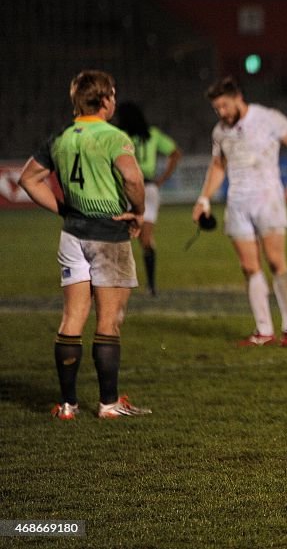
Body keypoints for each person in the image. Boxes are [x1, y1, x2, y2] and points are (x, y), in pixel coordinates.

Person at [17, 70, 151, 420]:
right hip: (108, 234)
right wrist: (138, 211)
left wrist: (62, 208)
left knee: (72, 316)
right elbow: (133, 177)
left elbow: (28, 179)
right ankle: (108, 404)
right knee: (109, 319)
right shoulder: (112, 136)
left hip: (72, 234)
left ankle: (67, 405)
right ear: (106, 99)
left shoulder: (60, 137)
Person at [192, 77, 287, 347]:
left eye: (224, 105)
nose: (221, 112)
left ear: (237, 97)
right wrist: (204, 199)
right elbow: (218, 166)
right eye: (216, 108)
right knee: (249, 266)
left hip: (267, 198)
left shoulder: (268, 118)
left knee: (275, 262)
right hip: (237, 202)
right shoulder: (220, 131)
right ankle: (264, 331)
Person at [115, 101, 182, 296]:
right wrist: (162, 179)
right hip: (150, 188)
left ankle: (119, 282)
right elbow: (175, 152)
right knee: (146, 239)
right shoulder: (152, 134)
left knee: (120, 236)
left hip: (127, 187)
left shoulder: (120, 136)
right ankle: (151, 285)